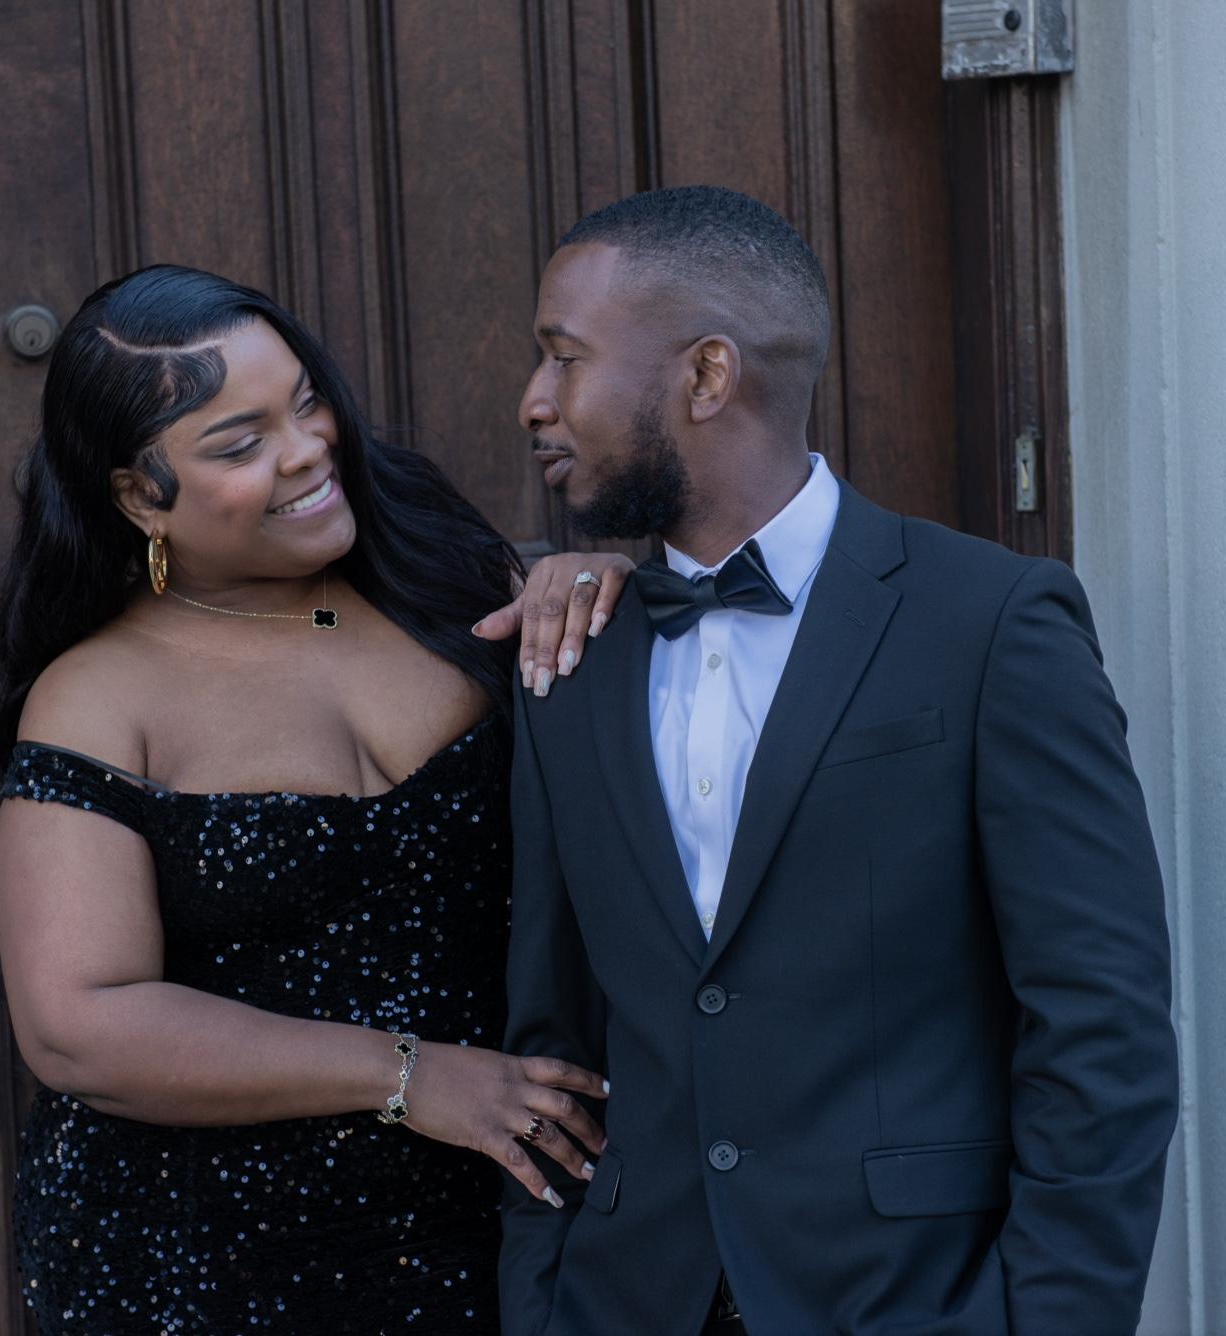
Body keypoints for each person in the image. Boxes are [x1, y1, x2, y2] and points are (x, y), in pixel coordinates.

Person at [500, 186, 1179, 1335]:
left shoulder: (990, 622)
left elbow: (1100, 1027)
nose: (534, 400)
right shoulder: (568, 651)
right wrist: (541, 1300)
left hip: (912, 1301)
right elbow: (550, 1033)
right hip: (622, 1300)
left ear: (706, 376)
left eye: (564, 358)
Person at [0, 264, 627, 1335]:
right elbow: (78, 1025)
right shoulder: (96, 698)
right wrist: (411, 1076)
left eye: (306, 401)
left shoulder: (438, 573)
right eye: (240, 445)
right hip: (204, 1254)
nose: (307, 450)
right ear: (141, 496)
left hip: (500, 1213)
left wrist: (595, 587)